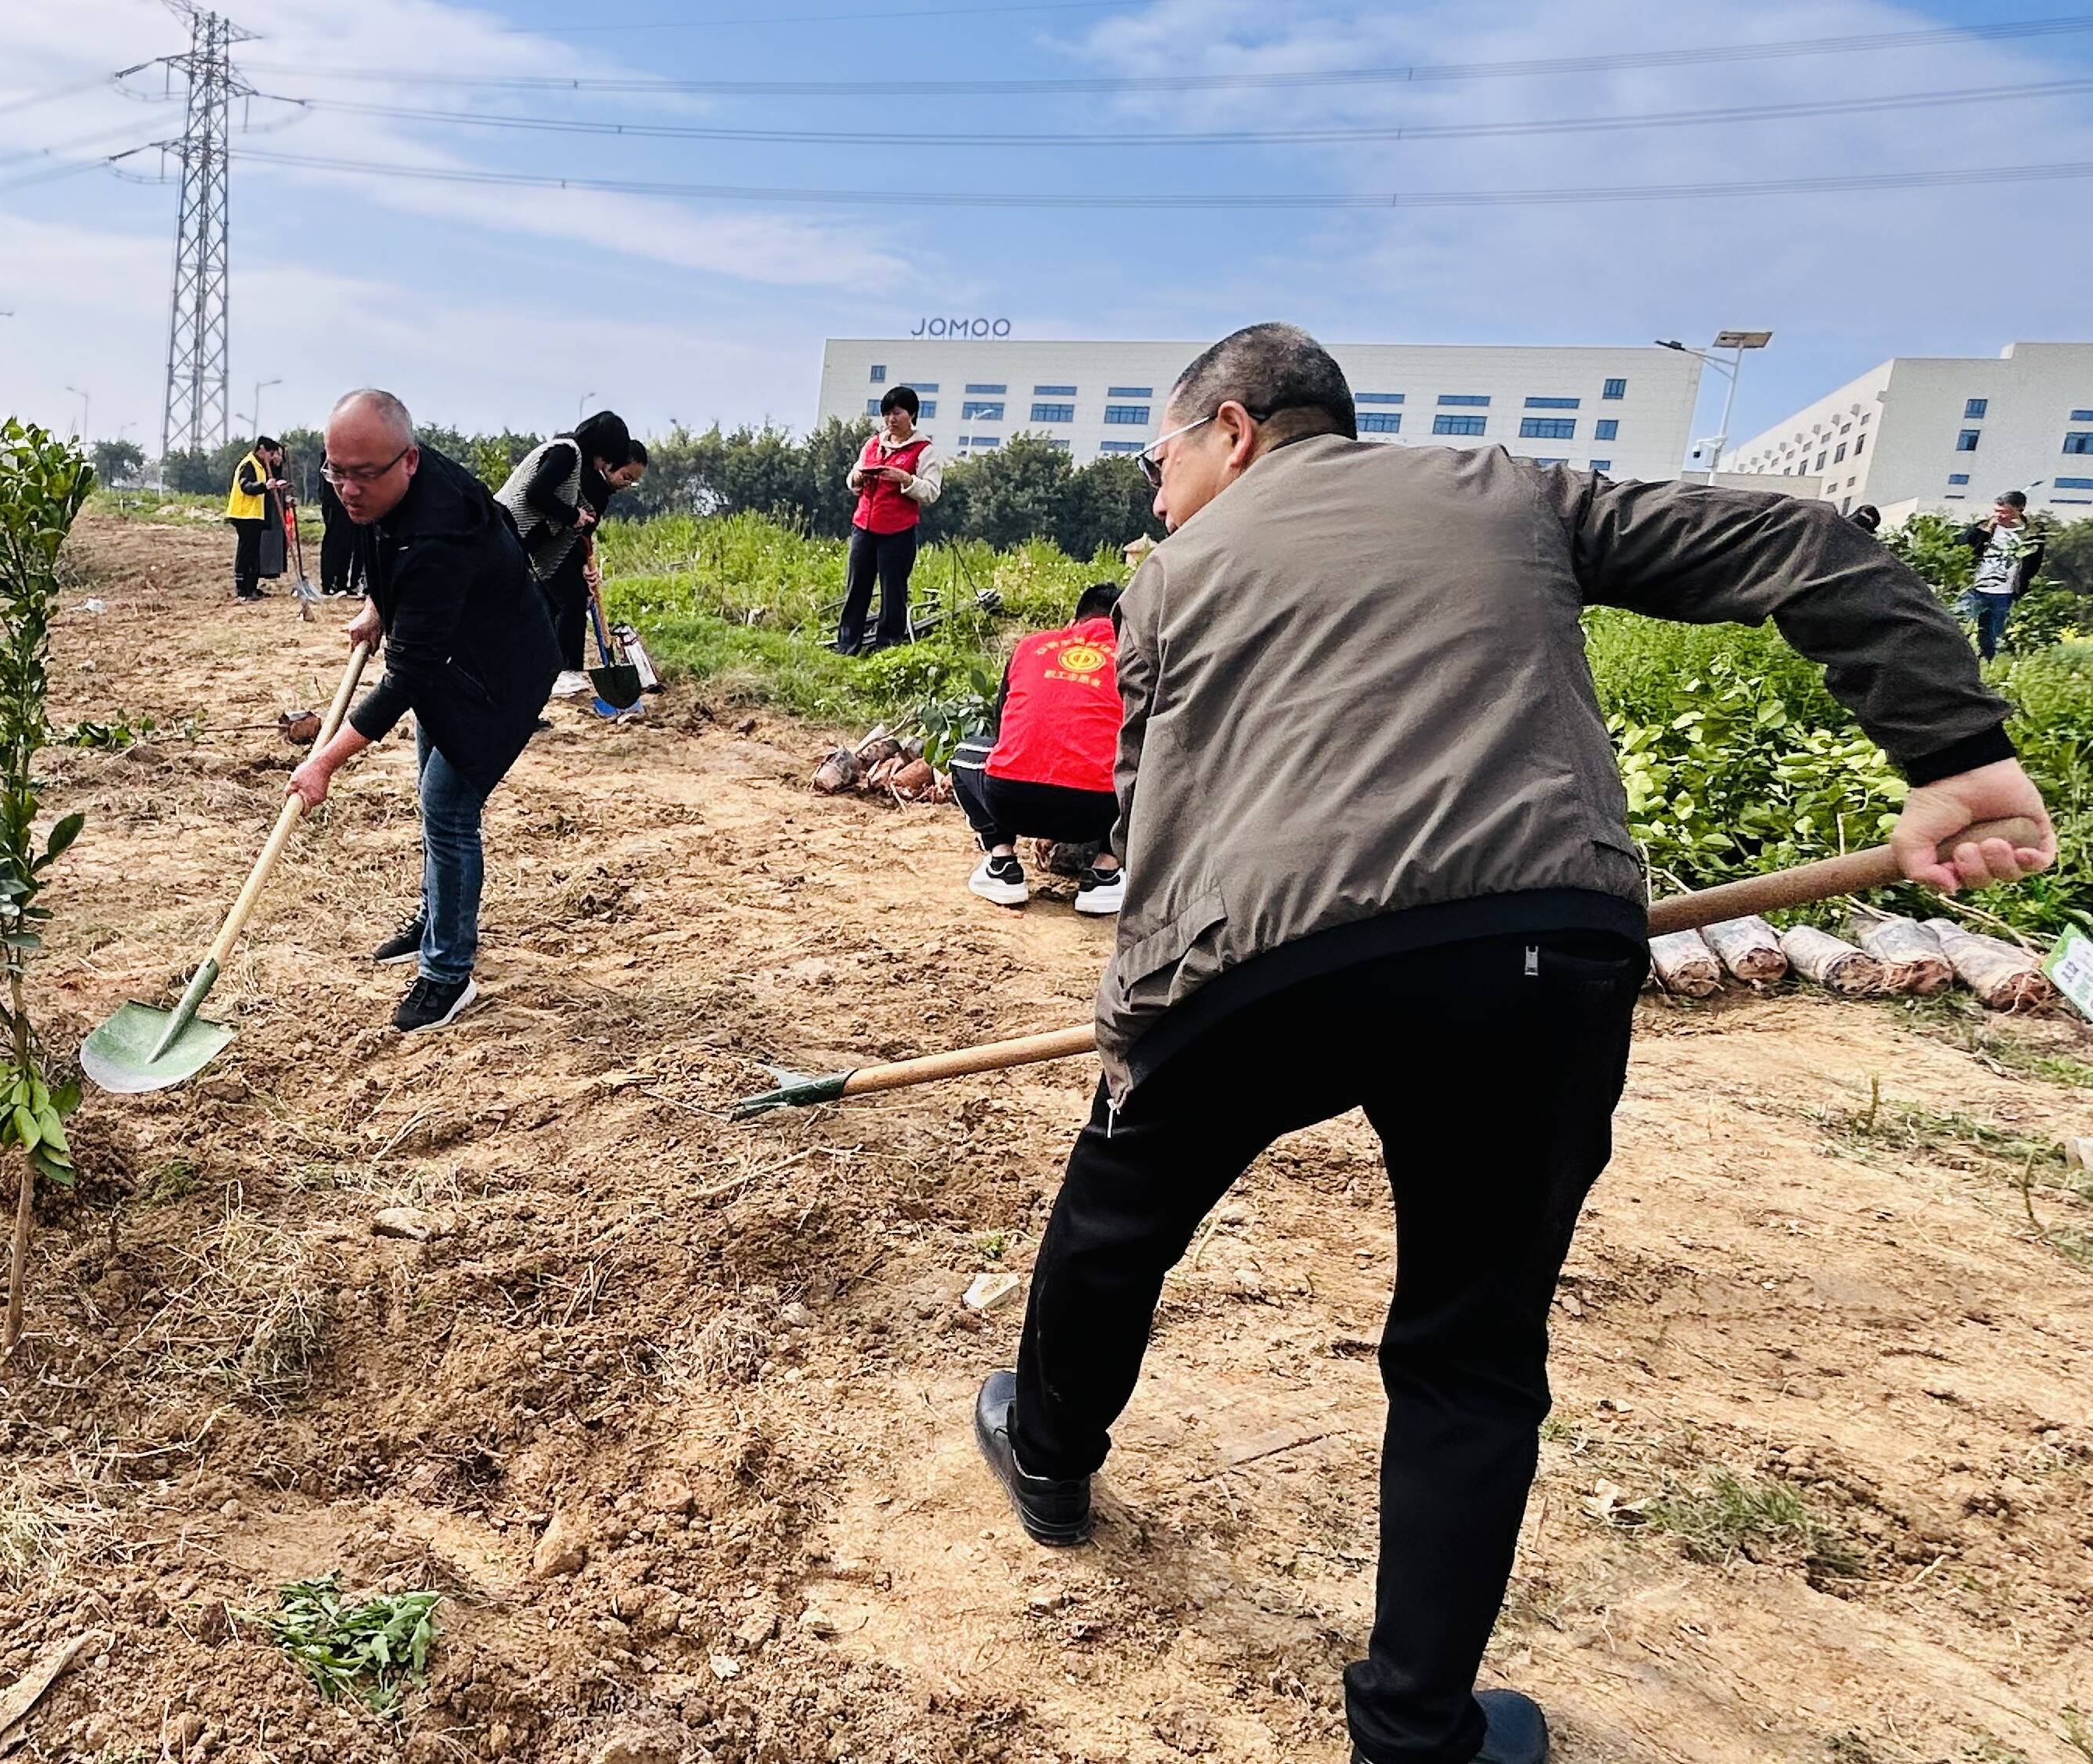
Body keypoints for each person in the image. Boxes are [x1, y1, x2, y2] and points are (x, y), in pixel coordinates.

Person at [972, 323, 2052, 1764]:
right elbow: (1802, 542)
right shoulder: (1507, 489)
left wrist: (1139, 1034)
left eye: (1157, 459)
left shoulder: (1171, 577)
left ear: (1231, 429)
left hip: (1248, 958)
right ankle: (1414, 1730)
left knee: (1117, 1212)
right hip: (1532, 951)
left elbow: (1154, 809)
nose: (1155, 496)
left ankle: (1045, 1454)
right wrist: (1953, 756)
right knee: (1469, 1352)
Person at [288, 390, 561, 1033]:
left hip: (501, 674)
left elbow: (407, 674)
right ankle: (439, 915)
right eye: (336, 470)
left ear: (407, 461)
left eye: (363, 474)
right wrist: (380, 608)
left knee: (448, 806)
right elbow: (400, 556)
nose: (347, 489)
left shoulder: (438, 534)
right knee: (430, 795)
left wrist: (324, 760)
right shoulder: (395, 477)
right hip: (446, 653)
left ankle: (447, 974)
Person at [952, 583, 1127, 915]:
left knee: (966, 754)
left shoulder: (1031, 646)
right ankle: (1106, 869)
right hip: (1098, 812)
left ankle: (1002, 862)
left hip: (1011, 803)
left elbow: (1002, 730)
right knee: (1148, 766)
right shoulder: (1134, 656)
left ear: (1074, 622)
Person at [496, 411, 642, 695]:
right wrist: (572, 515)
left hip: (518, 544)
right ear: (602, 450)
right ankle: (557, 674)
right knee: (546, 607)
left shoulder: (572, 459)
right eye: (608, 459)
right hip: (504, 536)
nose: (604, 465)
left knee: (529, 612)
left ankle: (526, 690)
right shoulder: (566, 454)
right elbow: (535, 495)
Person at [838, 387, 943, 653]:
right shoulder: (873, 443)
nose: (891, 420)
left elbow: (931, 492)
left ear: (912, 414)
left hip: (898, 531)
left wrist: (906, 480)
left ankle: (888, 647)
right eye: (886, 414)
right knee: (856, 588)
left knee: (893, 592)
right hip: (864, 526)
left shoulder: (924, 450)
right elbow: (853, 478)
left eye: (897, 413)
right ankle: (847, 646)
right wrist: (857, 479)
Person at [1960, 489, 2047, 660]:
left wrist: (2021, 583)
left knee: (1991, 635)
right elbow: (1962, 550)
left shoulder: (2031, 535)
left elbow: (2034, 564)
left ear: (2019, 510)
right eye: (1996, 511)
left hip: (2003, 593)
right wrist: (1984, 532)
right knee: (1957, 623)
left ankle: (1987, 664)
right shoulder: (1982, 527)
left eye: (2004, 512)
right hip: (1974, 589)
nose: (1999, 516)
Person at [227, 436, 289, 602]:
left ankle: (251, 588)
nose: (271, 457)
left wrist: (274, 485)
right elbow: (246, 486)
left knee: (254, 553)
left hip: (255, 515)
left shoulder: (261, 466)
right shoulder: (248, 464)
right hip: (244, 515)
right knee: (245, 552)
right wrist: (264, 487)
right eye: (270, 453)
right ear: (262, 450)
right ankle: (242, 589)